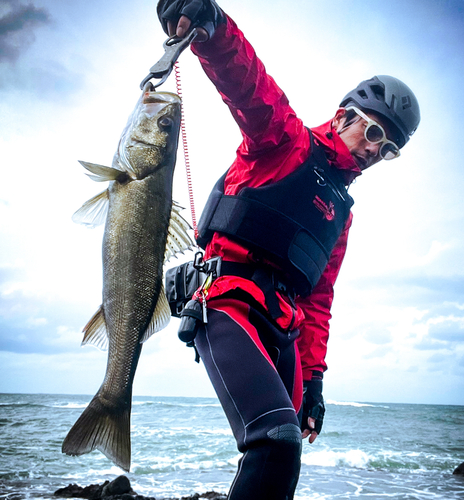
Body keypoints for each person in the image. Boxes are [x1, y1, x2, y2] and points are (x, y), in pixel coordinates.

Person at [157, 1, 420, 499]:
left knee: (290, 452)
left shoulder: (341, 213)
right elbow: (249, 88)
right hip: (228, 299)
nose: (375, 151)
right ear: (346, 116)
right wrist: (211, 29)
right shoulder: (288, 144)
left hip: (286, 331)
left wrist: (315, 382)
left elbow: (319, 301)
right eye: (375, 132)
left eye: (389, 150)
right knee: (273, 442)